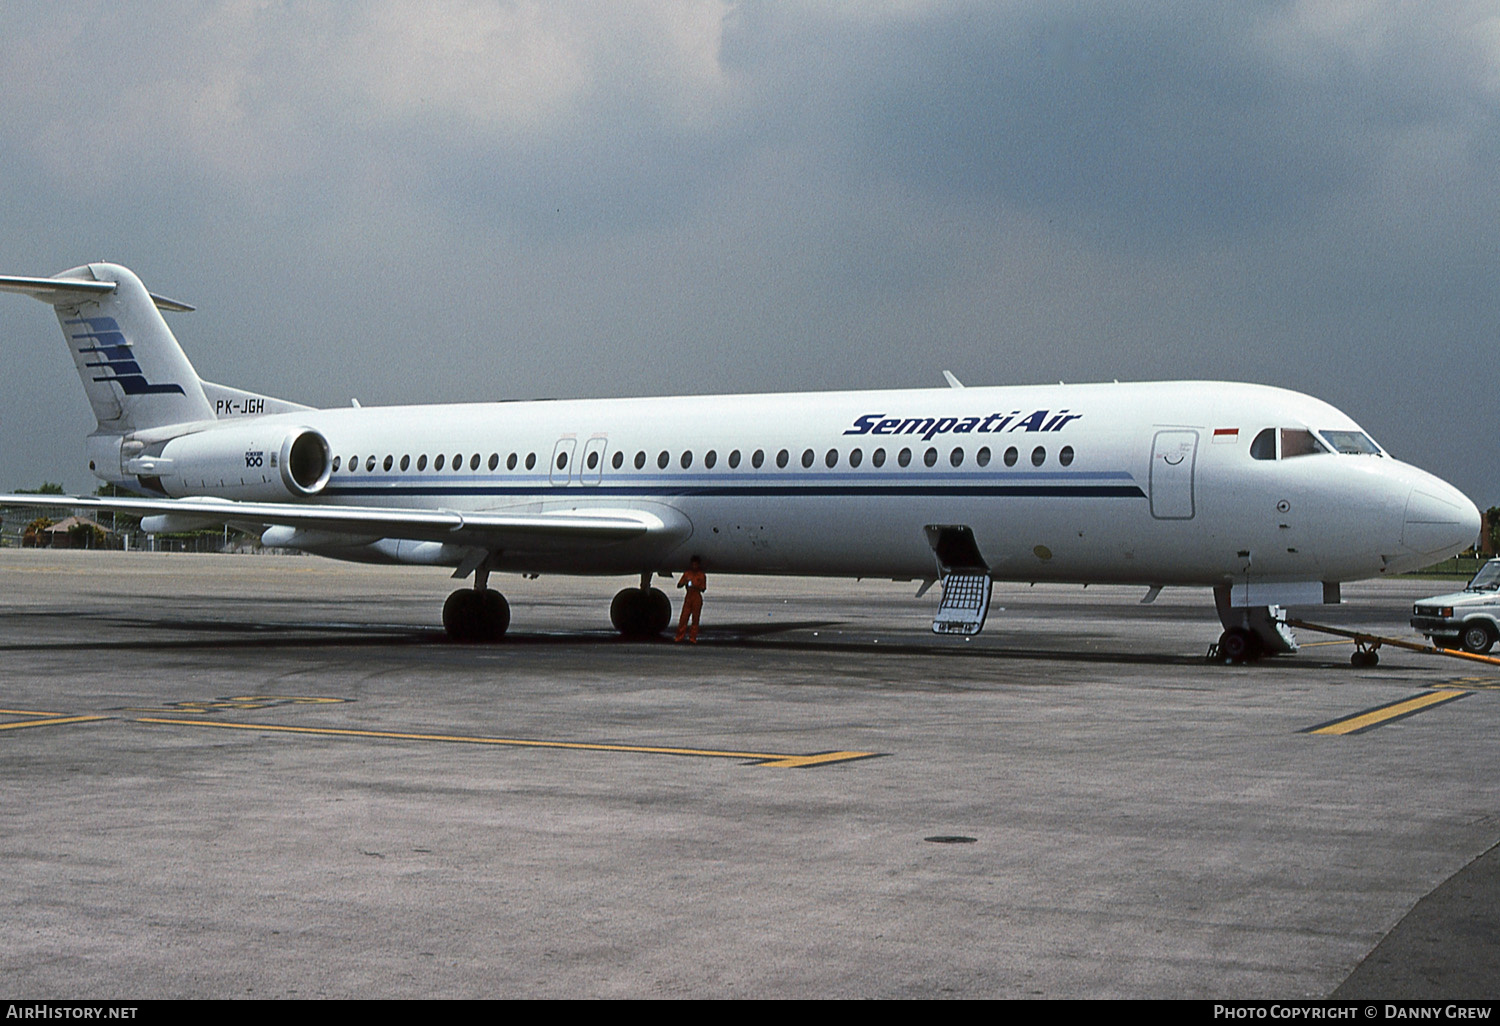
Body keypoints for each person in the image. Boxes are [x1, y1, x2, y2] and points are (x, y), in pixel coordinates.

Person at [674, 555, 707, 643]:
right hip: (688, 597)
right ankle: (679, 637)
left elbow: (703, 588)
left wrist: (695, 585)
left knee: (695, 619)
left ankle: (692, 638)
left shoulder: (701, 575)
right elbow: (679, 585)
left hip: (696, 597)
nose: (694, 566)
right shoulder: (687, 574)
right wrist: (684, 583)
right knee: (684, 618)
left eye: (696, 564)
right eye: (693, 564)